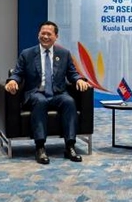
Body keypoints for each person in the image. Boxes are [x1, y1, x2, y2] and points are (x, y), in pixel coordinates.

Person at [5, 21, 91, 165]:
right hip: (36, 93)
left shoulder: (64, 54)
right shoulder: (27, 54)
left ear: (56, 36)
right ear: (38, 35)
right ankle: (40, 147)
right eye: (42, 33)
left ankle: (69, 146)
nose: (45, 36)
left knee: (69, 101)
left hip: (58, 93)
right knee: (40, 101)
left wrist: (79, 80)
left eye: (49, 34)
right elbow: (18, 73)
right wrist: (12, 80)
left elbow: (72, 73)